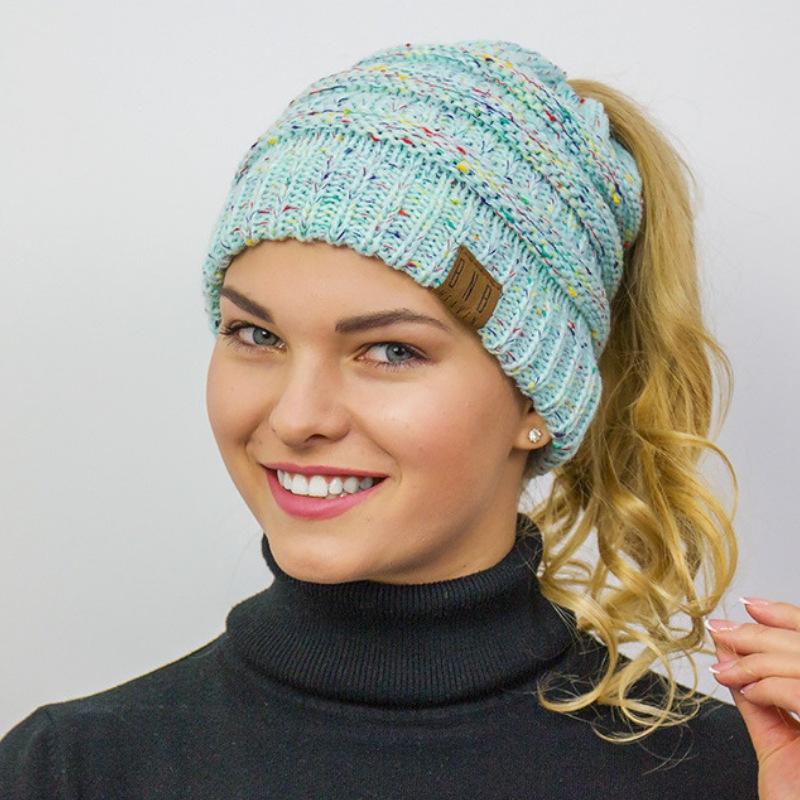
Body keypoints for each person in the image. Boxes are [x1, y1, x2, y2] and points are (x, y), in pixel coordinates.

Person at [1, 38, 798, 799]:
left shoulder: (743, 771)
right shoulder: (70, 771)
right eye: (256, 335)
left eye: (390, 351)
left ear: (537, 397)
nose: (297, 417)